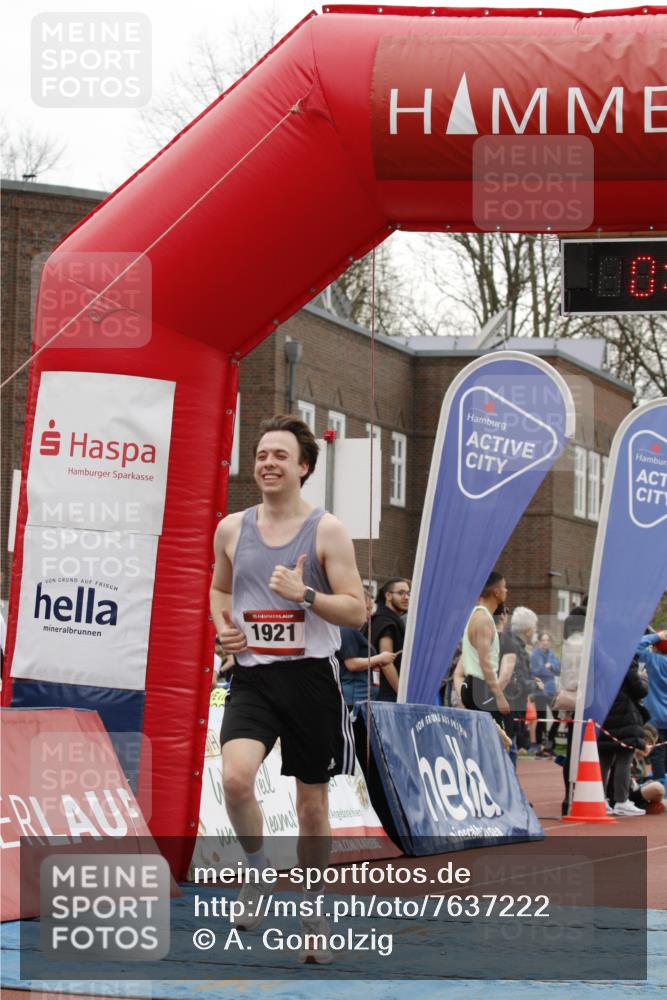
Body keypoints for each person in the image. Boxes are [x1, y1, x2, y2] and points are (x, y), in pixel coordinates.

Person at [210, 414, 366, 963]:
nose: (267, 463)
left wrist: (303, 595)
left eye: (279, 455)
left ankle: (314, 911)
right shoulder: (232, 528)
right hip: (253, 676)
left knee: (311, 808)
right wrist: (222, 626)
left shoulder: (327, 530)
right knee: (234, 779)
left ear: (303, 467)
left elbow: (356, 609)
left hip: (311, 678)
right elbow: (218, 586)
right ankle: (258, 872)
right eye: (260, 455)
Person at [598, 656, 648, 816]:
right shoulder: (626, 658)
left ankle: (599, 799)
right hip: (625, 713)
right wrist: (644, 679)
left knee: (604, 759)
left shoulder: (602, 657)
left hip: (605, 711)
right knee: (624, 759)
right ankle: (621, 801)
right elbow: (639, 690)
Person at [460, 571, 510, 722]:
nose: (506, 591)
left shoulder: (480, 615)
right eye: (504, 587)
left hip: (476, 686)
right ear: (496, 591)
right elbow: (485, 662)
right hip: (480, 687)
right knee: (495, 741)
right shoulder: (482, 619)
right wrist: (499, 695)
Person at [337, 590, 396, 708]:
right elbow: (351, 664)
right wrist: (379, 658)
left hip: (362, 699)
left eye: (371, 609)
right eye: (367, 609)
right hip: (354, 701)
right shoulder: (347, 630)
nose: (370, 614)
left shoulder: (354, 631)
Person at [608, 724, 666, 815]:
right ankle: (646, 806)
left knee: (661, 797)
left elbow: (634, 783)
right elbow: (625, 784)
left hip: (632, 793)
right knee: (658, 788)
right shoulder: (627, 757)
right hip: (623, 797)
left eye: (653, 744)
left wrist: (644, 784)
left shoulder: (640, 760)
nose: (650, 747)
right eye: (649, 743)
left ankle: (650, 805)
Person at [636, 628, 667, 789]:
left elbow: (635, 647)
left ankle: (661, 787)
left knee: (657, 754)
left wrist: (655, 636)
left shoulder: (653, 660)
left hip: (655, 715)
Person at [370, 578, 409, 701]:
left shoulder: (390, 620)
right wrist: (402, 694)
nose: (406, 597)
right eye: (401, 593)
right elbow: (386, 663)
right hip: (387, 695)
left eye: (408, 593)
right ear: (388, 595)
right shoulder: (385, 621)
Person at [509, 607, 540, 752]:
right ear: (528, 630)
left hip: (514, 709)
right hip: (512, 709)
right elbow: (518, 682)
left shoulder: (514, 645)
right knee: (510, 752)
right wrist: (534, 684)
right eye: (535, 627)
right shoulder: (516, 649)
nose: (535, 631)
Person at [530, 632, 561, 754]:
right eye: (543, 640)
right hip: (539, 691)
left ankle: (549, 744)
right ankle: (538, 747)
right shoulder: (535, 655)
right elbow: (537, 671)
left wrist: (550, 666)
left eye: (547, 640)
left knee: (558, 718)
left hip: (551, 691)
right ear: (539, 641)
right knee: (541, 719)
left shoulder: (552, 654)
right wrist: (549, 669)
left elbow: (559, 669)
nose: (545, 642)